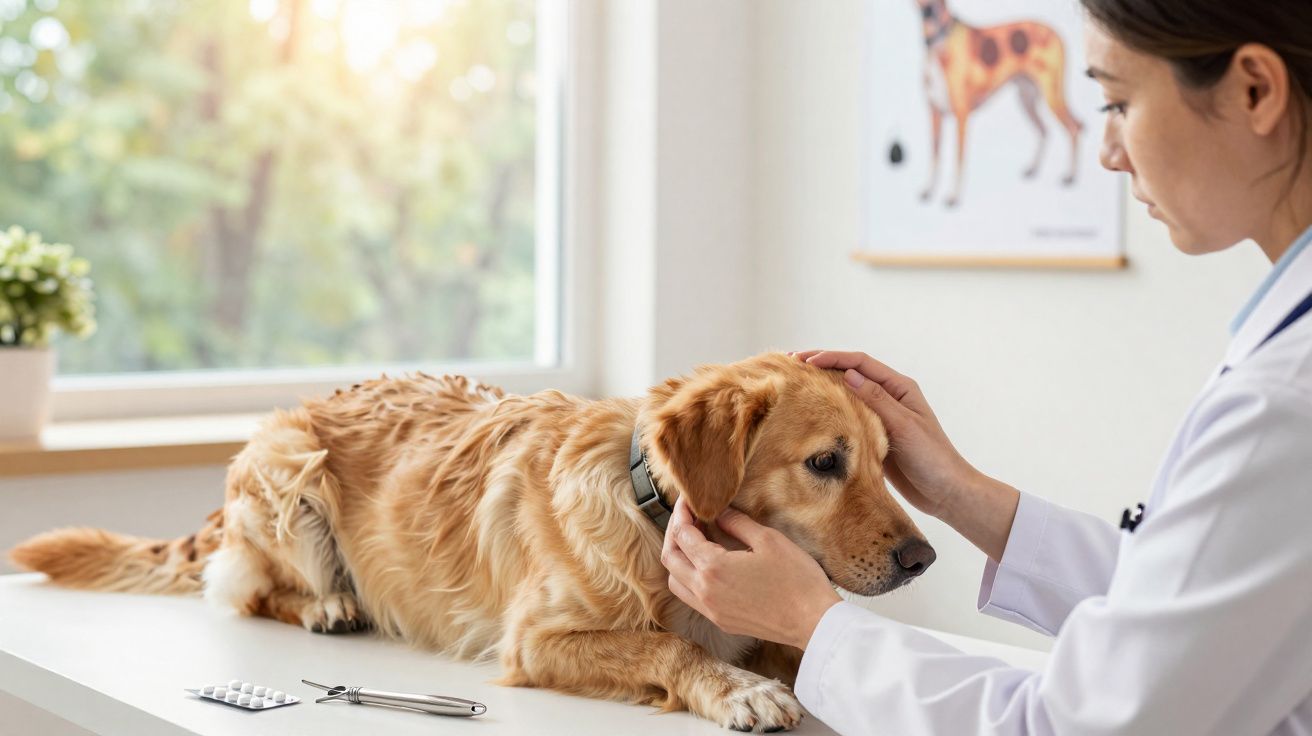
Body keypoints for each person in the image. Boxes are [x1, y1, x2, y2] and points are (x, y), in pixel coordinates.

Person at [660, 1, 1312, 733]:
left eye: (1117, 101)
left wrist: (815, 625)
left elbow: (1081, 724)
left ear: (1255, 90)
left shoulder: (1285, 403)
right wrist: (959, 492)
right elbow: (1196, 613)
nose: (1106, 150)